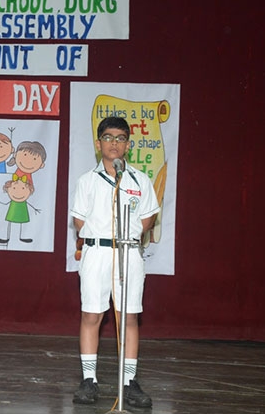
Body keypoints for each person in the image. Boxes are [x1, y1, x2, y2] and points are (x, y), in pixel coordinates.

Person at [70, 117, 159, 408]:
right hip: (97, 252)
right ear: (98, 144)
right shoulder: (87, 180)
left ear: (128, 145)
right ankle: (89, 379)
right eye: (108, 137)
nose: (114, 143)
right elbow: (79, 220)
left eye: (120, 138)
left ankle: (129, 381)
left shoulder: (139, 179)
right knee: (91, 315)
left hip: (129, 252)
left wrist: (128, 236)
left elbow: (148, 217)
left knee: (128, 316)